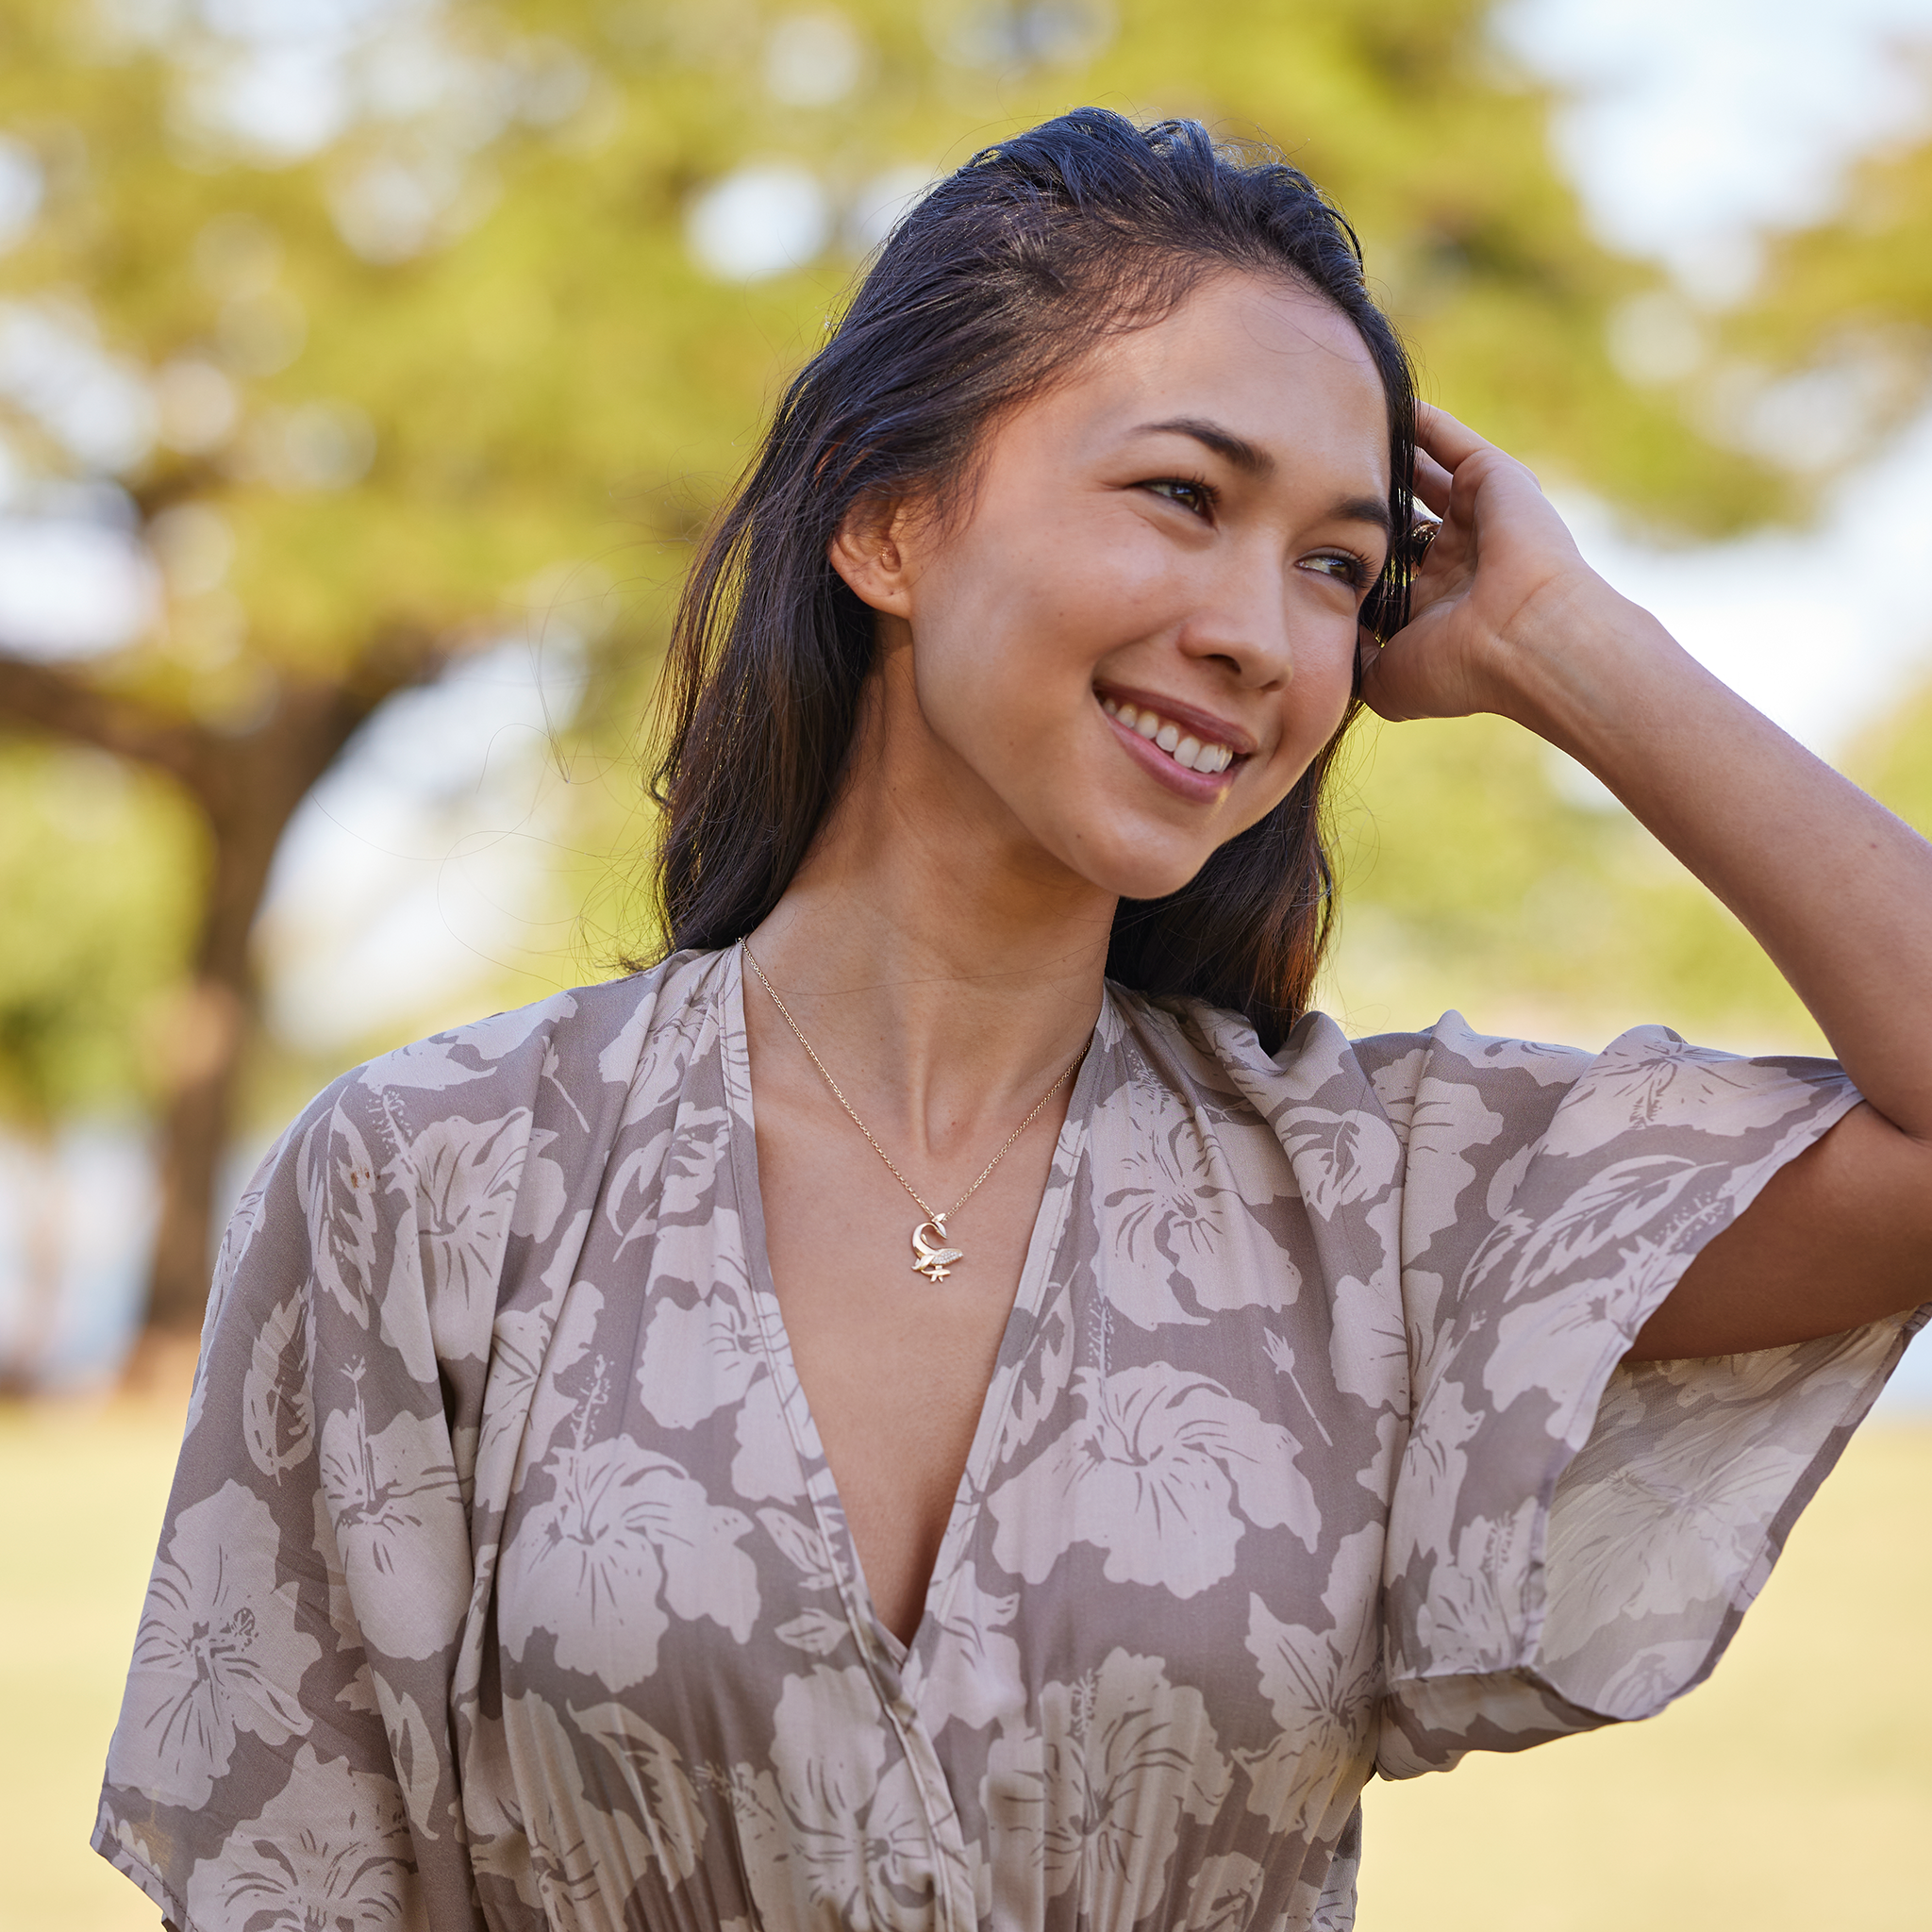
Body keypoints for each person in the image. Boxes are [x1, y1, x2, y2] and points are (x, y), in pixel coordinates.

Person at [95, 109, 1928, 1932]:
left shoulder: (1376, 1207)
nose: (1260, 637)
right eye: (1183, 497)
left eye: (1334, 570)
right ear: (887, 521)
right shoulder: (435, 1182)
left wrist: (1564, 644)